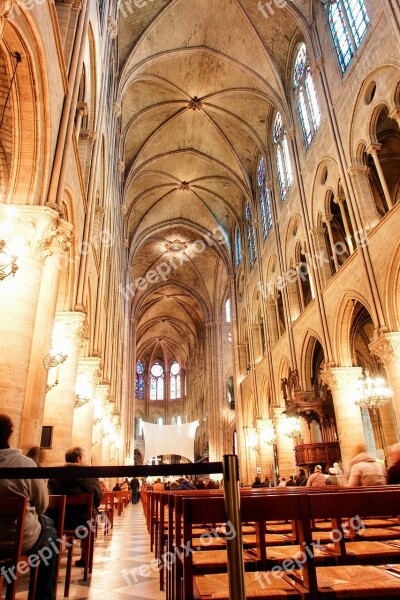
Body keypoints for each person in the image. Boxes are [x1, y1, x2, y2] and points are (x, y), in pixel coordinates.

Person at [0, 415, 58, 600]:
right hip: (17, 540)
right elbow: (42, 504)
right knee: (49, 533)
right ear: (10, 435)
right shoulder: (24, 464)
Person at [48, 446, 103, 568]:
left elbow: (49, 496)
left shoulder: (55, 474)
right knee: (91, 516)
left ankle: (54, 556)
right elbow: (98, 496)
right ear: (79, 459)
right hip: (83, 522)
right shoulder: (88, 474)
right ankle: (85, 557)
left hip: (59, 521)